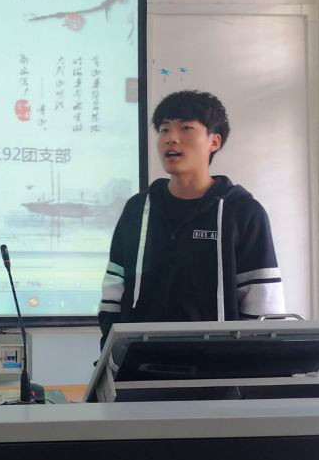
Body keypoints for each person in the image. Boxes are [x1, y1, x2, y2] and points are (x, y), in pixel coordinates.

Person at [99, 90, 285, 348]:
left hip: (216, 364)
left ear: (214, 142)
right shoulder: (137, 208)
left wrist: (245, 361)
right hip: (139, 362)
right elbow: (113, 290)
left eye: (186, 128)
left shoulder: (242, 211)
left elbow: (263, 303)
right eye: (164, 129)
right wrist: (113, 351)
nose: (171, 138)